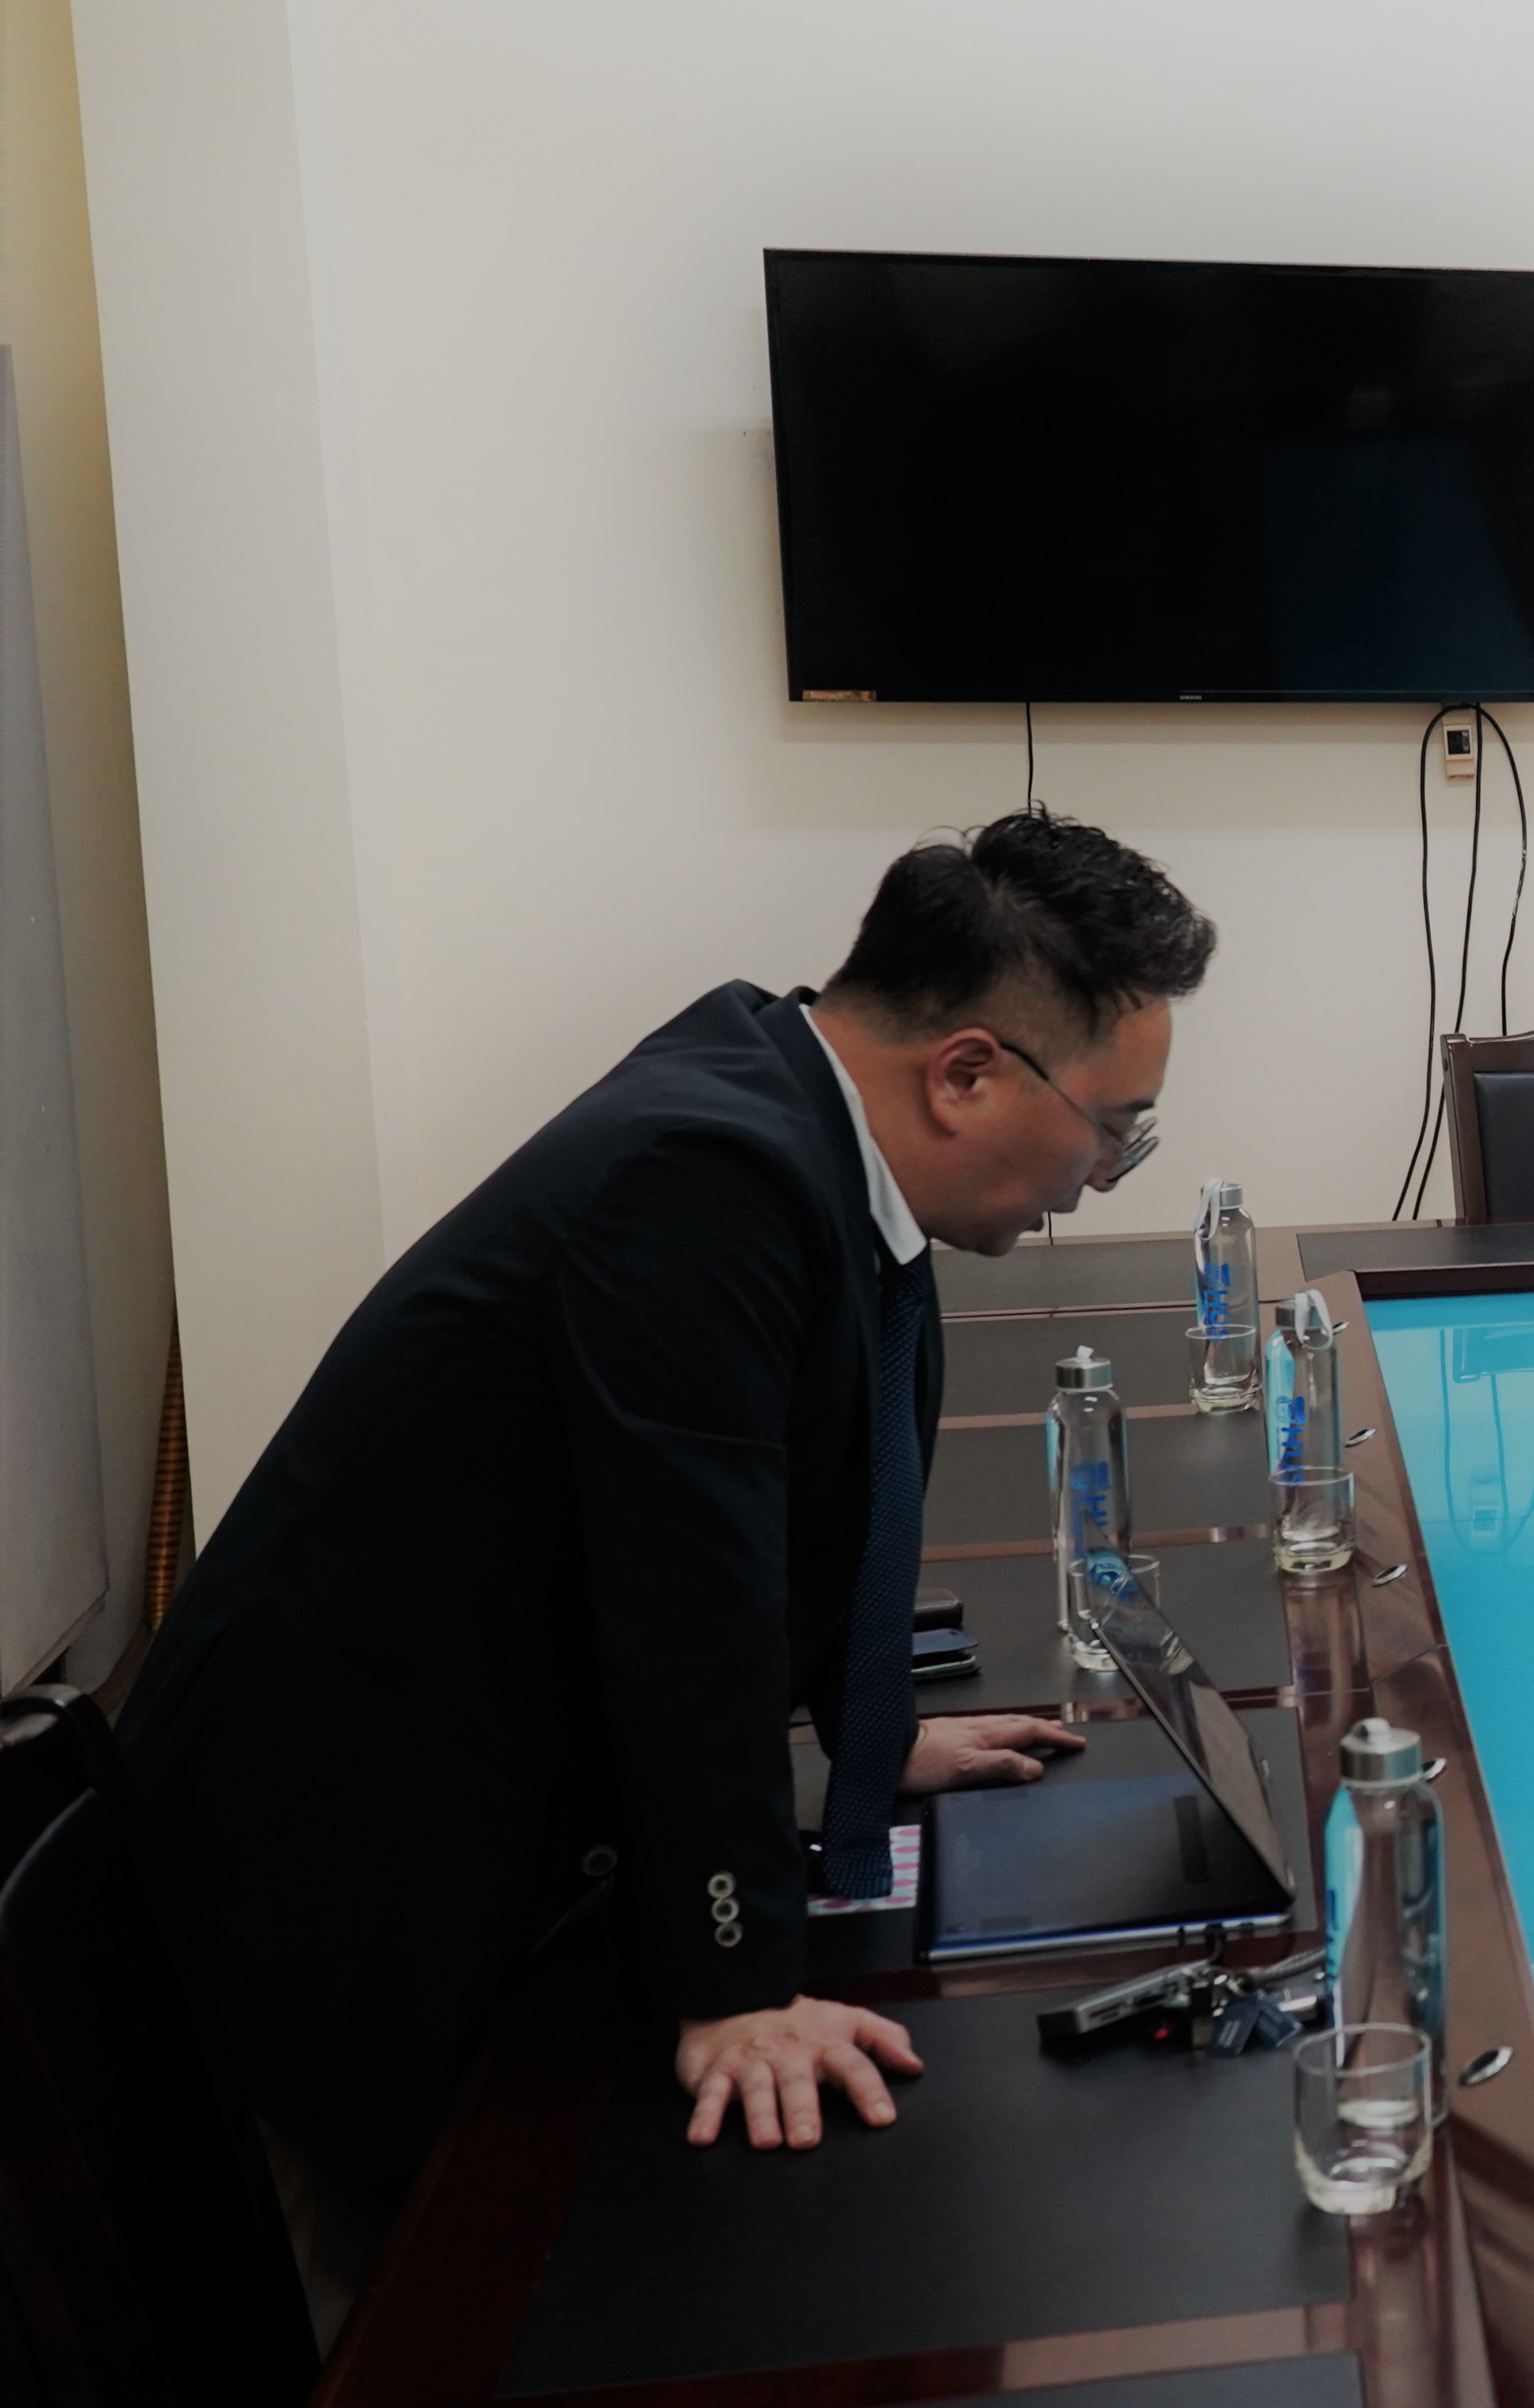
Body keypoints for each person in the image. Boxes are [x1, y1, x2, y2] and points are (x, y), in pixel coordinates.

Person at [122, 811, 1212, 2265]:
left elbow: (793, 1472)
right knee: (345, 2329)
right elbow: (687, 1595)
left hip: (462, 1801)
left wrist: (870, 1733)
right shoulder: (706, 1176)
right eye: (1112, 1126)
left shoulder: (789, 1109)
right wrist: (737, 1978)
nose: (1101, 1171)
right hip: (332, 1871)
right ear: (966, 1072)